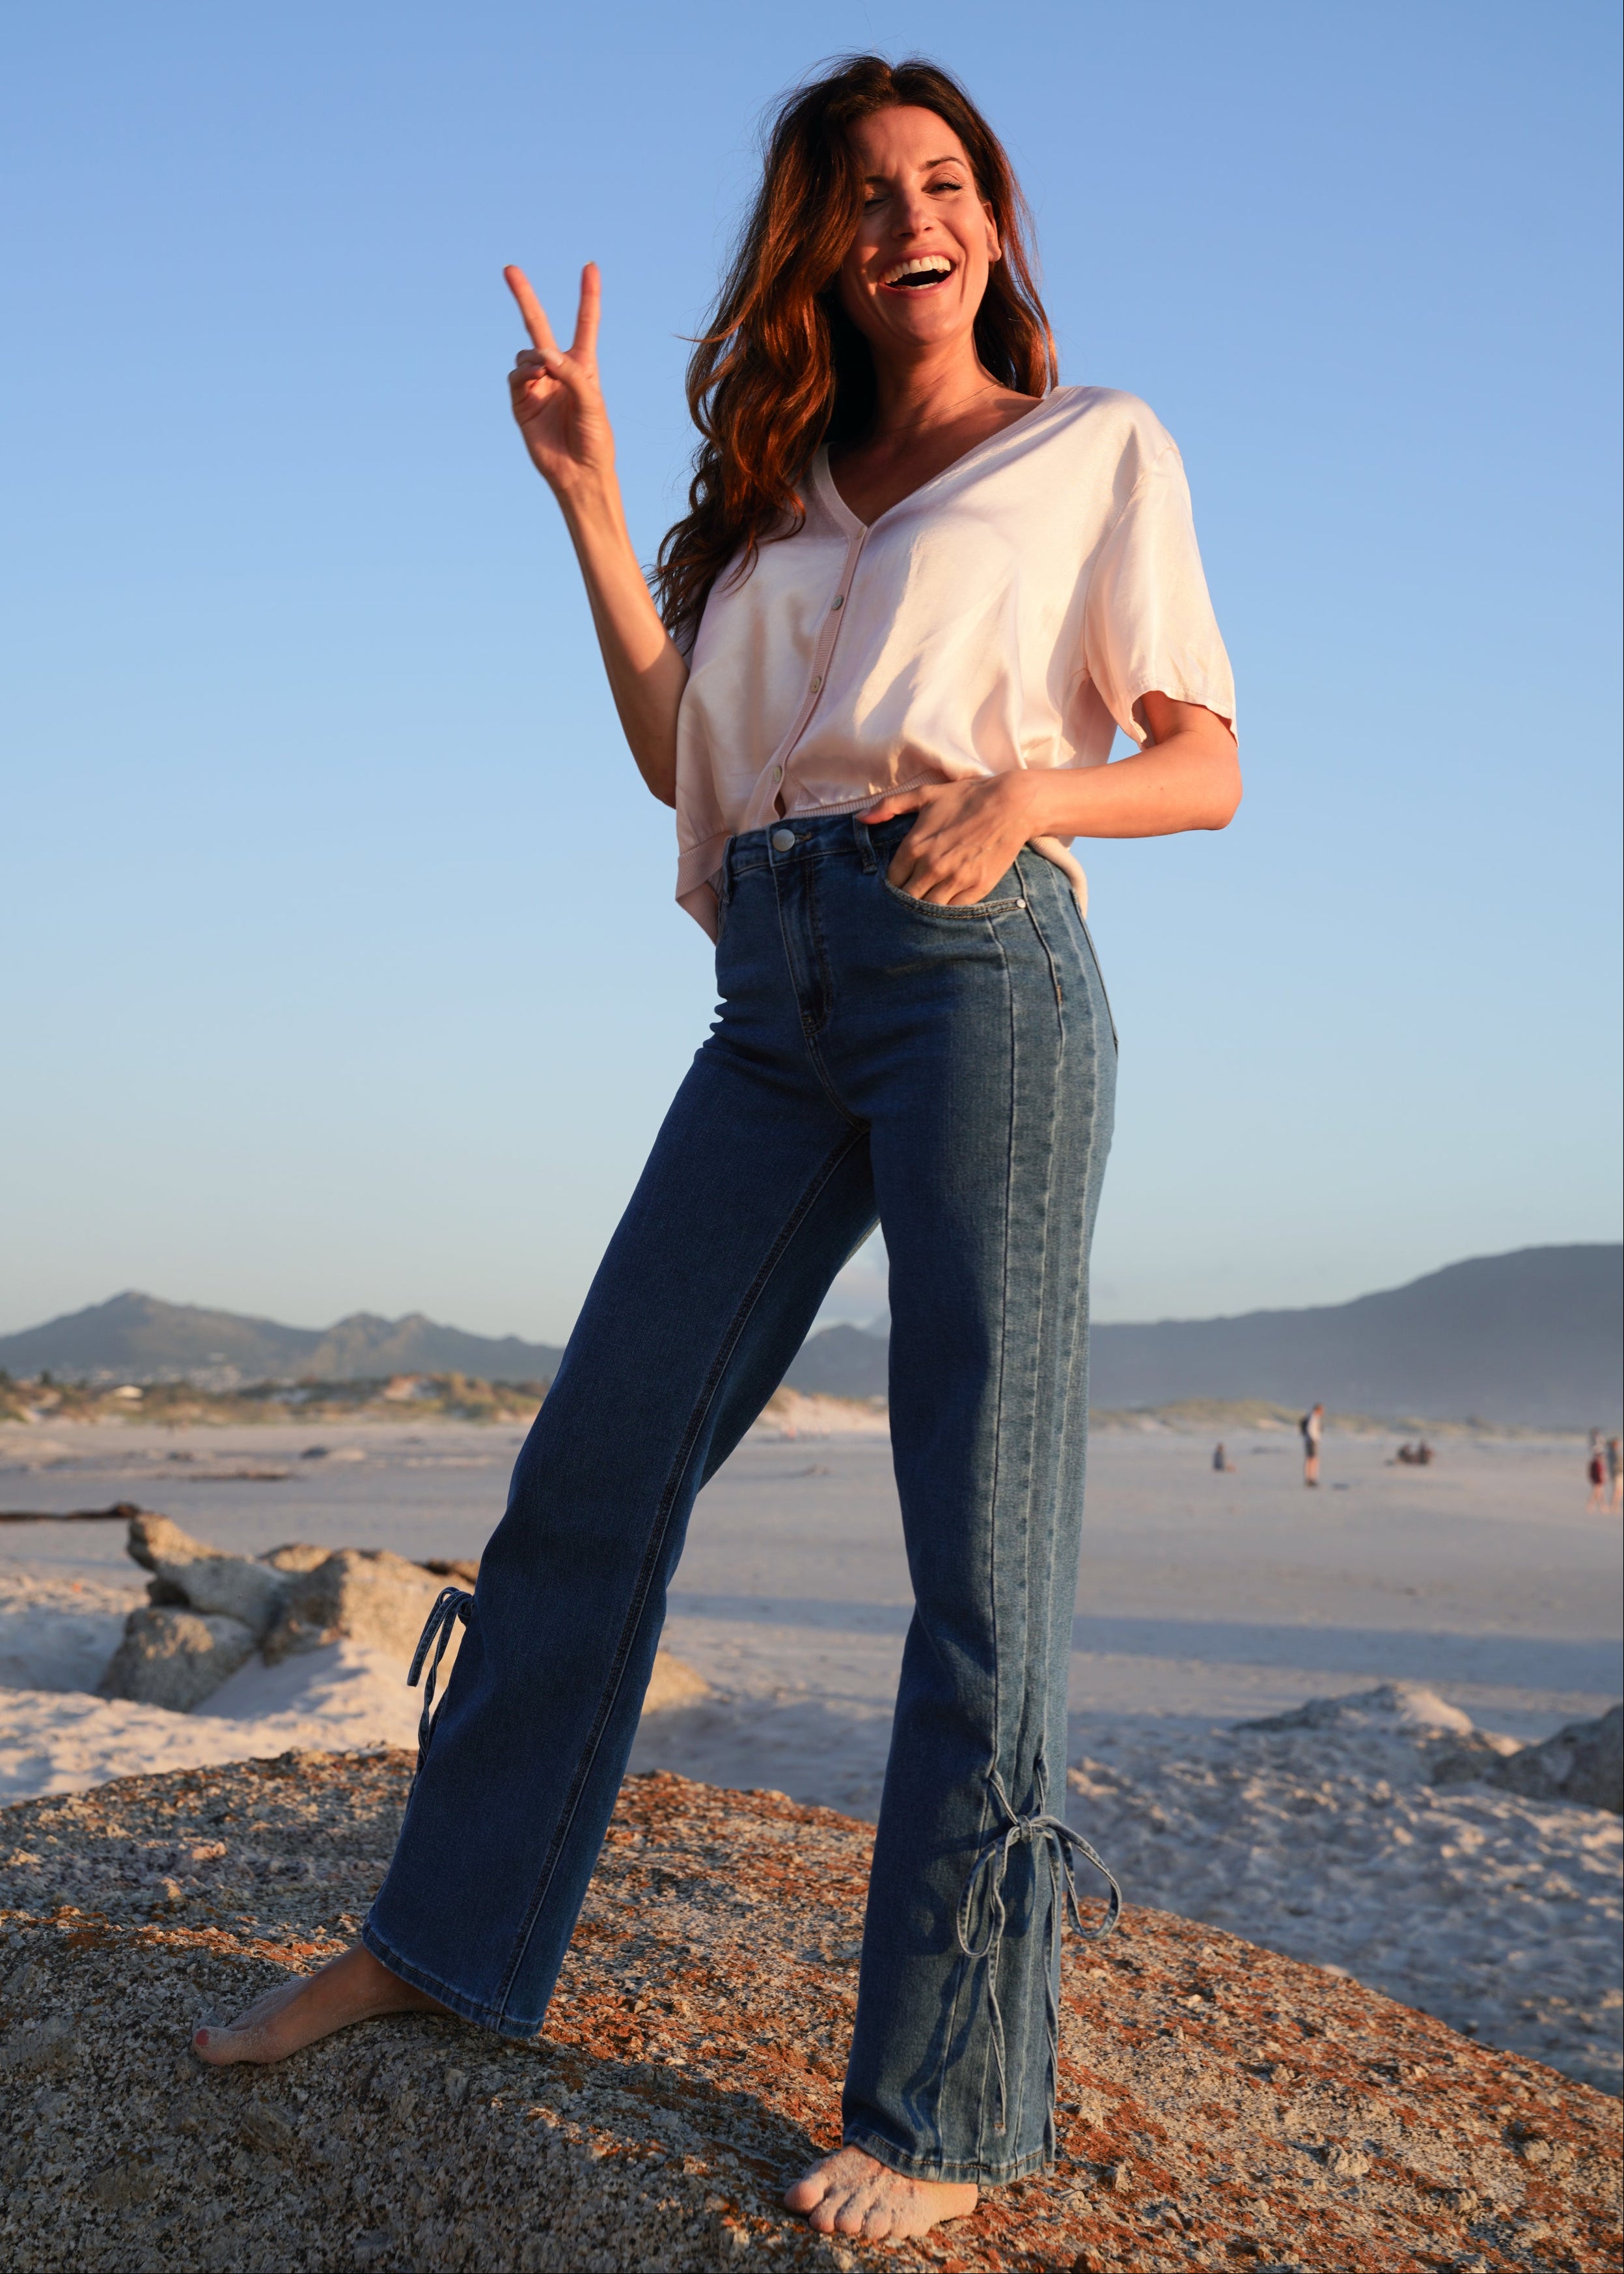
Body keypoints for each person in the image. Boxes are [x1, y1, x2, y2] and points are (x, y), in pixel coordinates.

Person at [189, 55, 1239, 2243]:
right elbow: (692, 752)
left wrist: (1024, 797)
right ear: (815, 248)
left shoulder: (1087, 446)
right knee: (591, 1461)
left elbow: (1204, 759)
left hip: (980, 967)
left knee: (976, 1535)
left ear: (993, 220)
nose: (908, 218)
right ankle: (446, 1938)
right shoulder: (782, 502)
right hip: (768, 993)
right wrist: (584, 495)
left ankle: (945, 2105)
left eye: (942, 181)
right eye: (862, 194)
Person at [1301, 1402, 1324, 1486]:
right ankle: (1311, 1479)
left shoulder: (1309, 1416)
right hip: (1312, 1441)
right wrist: (1314, 1439)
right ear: (1318, 1410)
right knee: (1313, 1460)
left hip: (1309, 1440)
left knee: (1310, 1460)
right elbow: (1311, 1429)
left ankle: (1310, 1478)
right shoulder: (1313, 1417)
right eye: (1322, 1410)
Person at [1587, 1431, 1607, 1512]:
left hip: (1598, 1478)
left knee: (1599, 1492)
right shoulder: (1596, 1463)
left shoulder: (1598, 1463)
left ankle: (1601, 1506)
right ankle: (1593, 1506)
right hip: (1598, 1479)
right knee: (1598, 1492)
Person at [1608, 1436, 1622, 1513]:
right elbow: (1617, 1464)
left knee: (1620, 1490)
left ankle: (1616, 1505)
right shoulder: (1613, 1453)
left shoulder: (1614, 1452)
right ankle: (1613, 1505)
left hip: (1618, 1473)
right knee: (1617, 1490)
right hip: (1617, 1474)